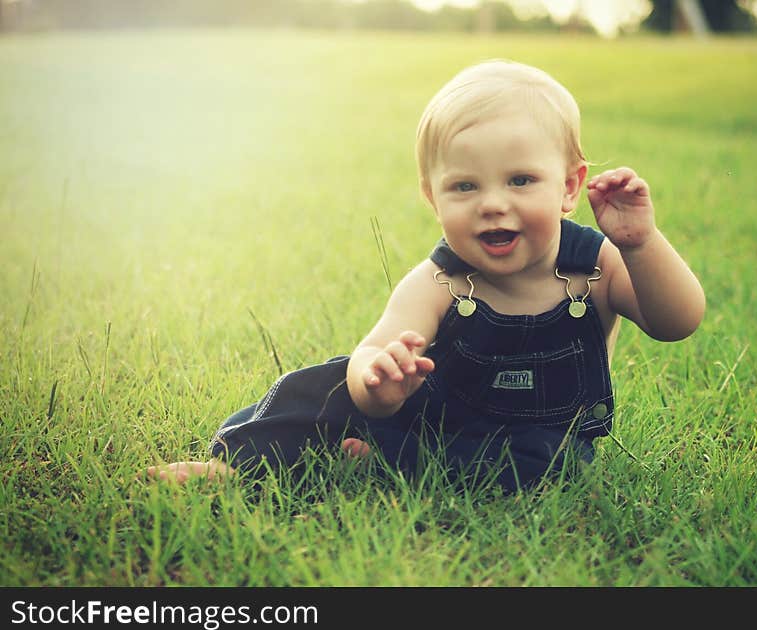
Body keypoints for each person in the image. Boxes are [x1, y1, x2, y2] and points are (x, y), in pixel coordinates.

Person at [148, 59, 705, 491]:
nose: (492, 203)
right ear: (432, 198)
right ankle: (239, 463)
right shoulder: (439, 282)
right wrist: (378, 383)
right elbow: (375, 349)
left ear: (567, 186)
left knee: (547, 464)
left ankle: (383, 465)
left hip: (536, 440)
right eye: (465, 186)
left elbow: (676, 322)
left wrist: (642, 244)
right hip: (430, 416)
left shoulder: (599, 266)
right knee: (323, 387)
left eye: (520, 181)